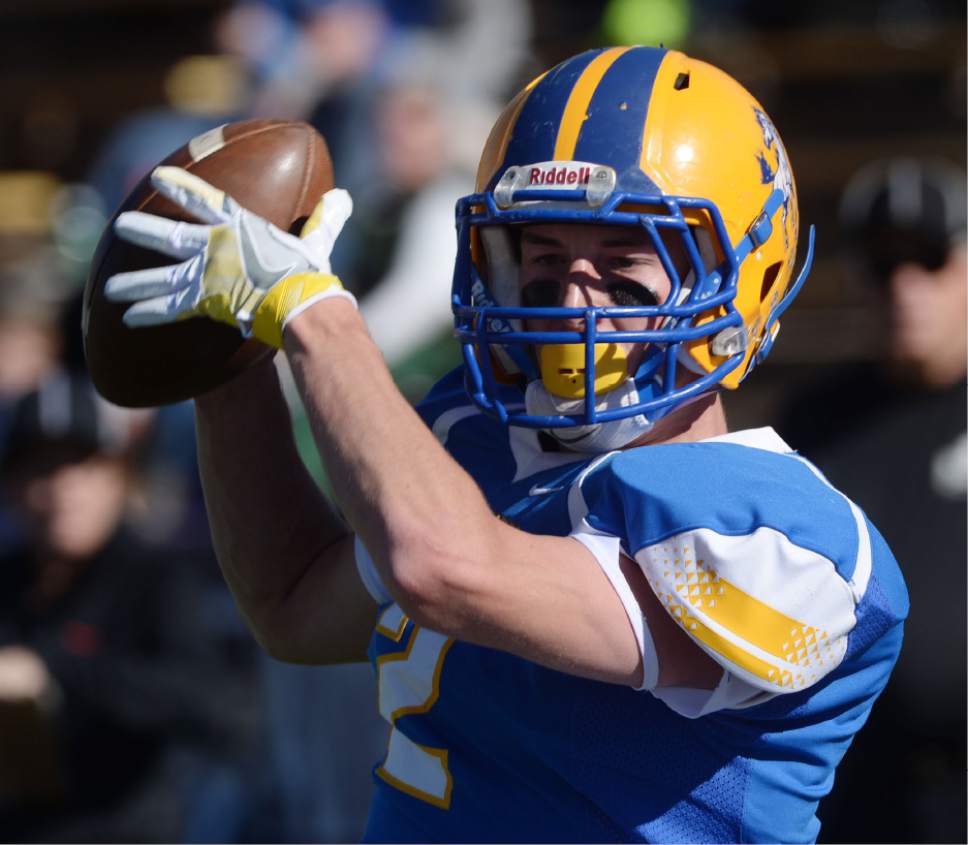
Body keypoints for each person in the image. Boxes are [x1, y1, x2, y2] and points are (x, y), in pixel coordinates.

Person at [103, 46, 908, 843]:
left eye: (625, 263)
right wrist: (227, 362)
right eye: (544, 257)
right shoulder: (480, 443)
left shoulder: (796, 547)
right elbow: (294, 603)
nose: (571, 299)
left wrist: (316, 313)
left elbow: (447, 567)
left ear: (746, 280)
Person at [779, 157, 966, 844]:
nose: (907, 288)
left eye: (930, 259)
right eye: (886, 265)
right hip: (854, 795)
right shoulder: (817, 421)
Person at [0, 373, 265, 842]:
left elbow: (224, 707)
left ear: (118, 477)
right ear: (13, 487)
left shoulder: (160, 576)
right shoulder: (11, 580)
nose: (63, 488)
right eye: (41, 468)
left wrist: (52, 672)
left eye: (81, 465)